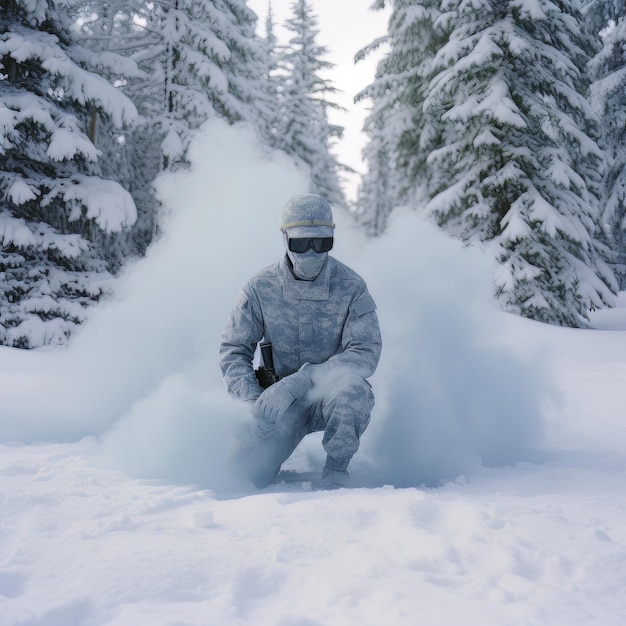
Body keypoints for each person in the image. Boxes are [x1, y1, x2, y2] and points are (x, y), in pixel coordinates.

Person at [219, 194, 382, 489]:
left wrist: (300, 381)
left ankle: (336, 472)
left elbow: (365, 352)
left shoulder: (352, 287)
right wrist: (249, 400)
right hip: (278, 405)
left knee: (353, 390)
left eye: (321, 244)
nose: (311, 253)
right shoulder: (259, 287)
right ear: (285, 237)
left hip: (329, 394)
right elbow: (235, 349)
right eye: (301, 243)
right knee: (240, 477)